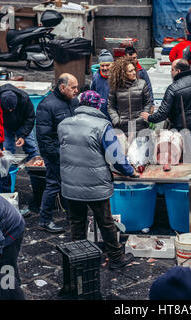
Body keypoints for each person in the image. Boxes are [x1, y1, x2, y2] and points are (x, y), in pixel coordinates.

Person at [58, 90, 137, 270]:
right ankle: (116, 257)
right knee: (105, 222)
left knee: (77, 223)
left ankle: (78, 259)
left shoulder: (64, 124)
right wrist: (129, 171)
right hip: (95, 185)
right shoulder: (102, 125)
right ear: (97, 105)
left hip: (70, 184)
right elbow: (116, 156)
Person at [140, 59, 191, 164]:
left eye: (172, 69)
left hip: (183, 131)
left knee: (183, 162)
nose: (170, 72)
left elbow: (162, 113)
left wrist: (149, 117)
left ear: (178, 71)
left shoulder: (173, 88)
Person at [36, 73, 79, 233]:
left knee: (69, 185)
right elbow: (44, 136)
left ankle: (71, 215)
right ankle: (44, 220)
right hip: (56, 154)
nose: (76, 90)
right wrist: (56, 155)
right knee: (53, 184)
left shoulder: (73, 102)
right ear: (62, 88)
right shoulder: (46, 105)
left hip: (71, 152)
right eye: (73, 87)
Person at [0, 83, 40, 215]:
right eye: (7, 109)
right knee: (6, 154)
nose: (10, 110)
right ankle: (8, 185)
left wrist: (23, 135)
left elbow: (30, 118)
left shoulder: (25, 99)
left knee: (32, 150)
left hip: (22, 125)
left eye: (12, 108)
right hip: (6, 128)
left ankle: (37, 183)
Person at [107, 56, 153, 134]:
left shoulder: (142, 84)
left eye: (134, 69)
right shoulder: (115, 87)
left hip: (140, 126)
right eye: (130, 71)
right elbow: (110, 106)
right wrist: (116, 120)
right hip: (122, 127)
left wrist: (144, 119)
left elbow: (148, 103)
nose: (134, 72)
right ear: (123, 73)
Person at [90, 49, 114, 120]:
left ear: (112, 65)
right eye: (102, 66)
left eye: (107, 65)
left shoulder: (117, 77)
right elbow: (92, 94)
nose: (105, 68)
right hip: (100, 115)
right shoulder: (96, 77)